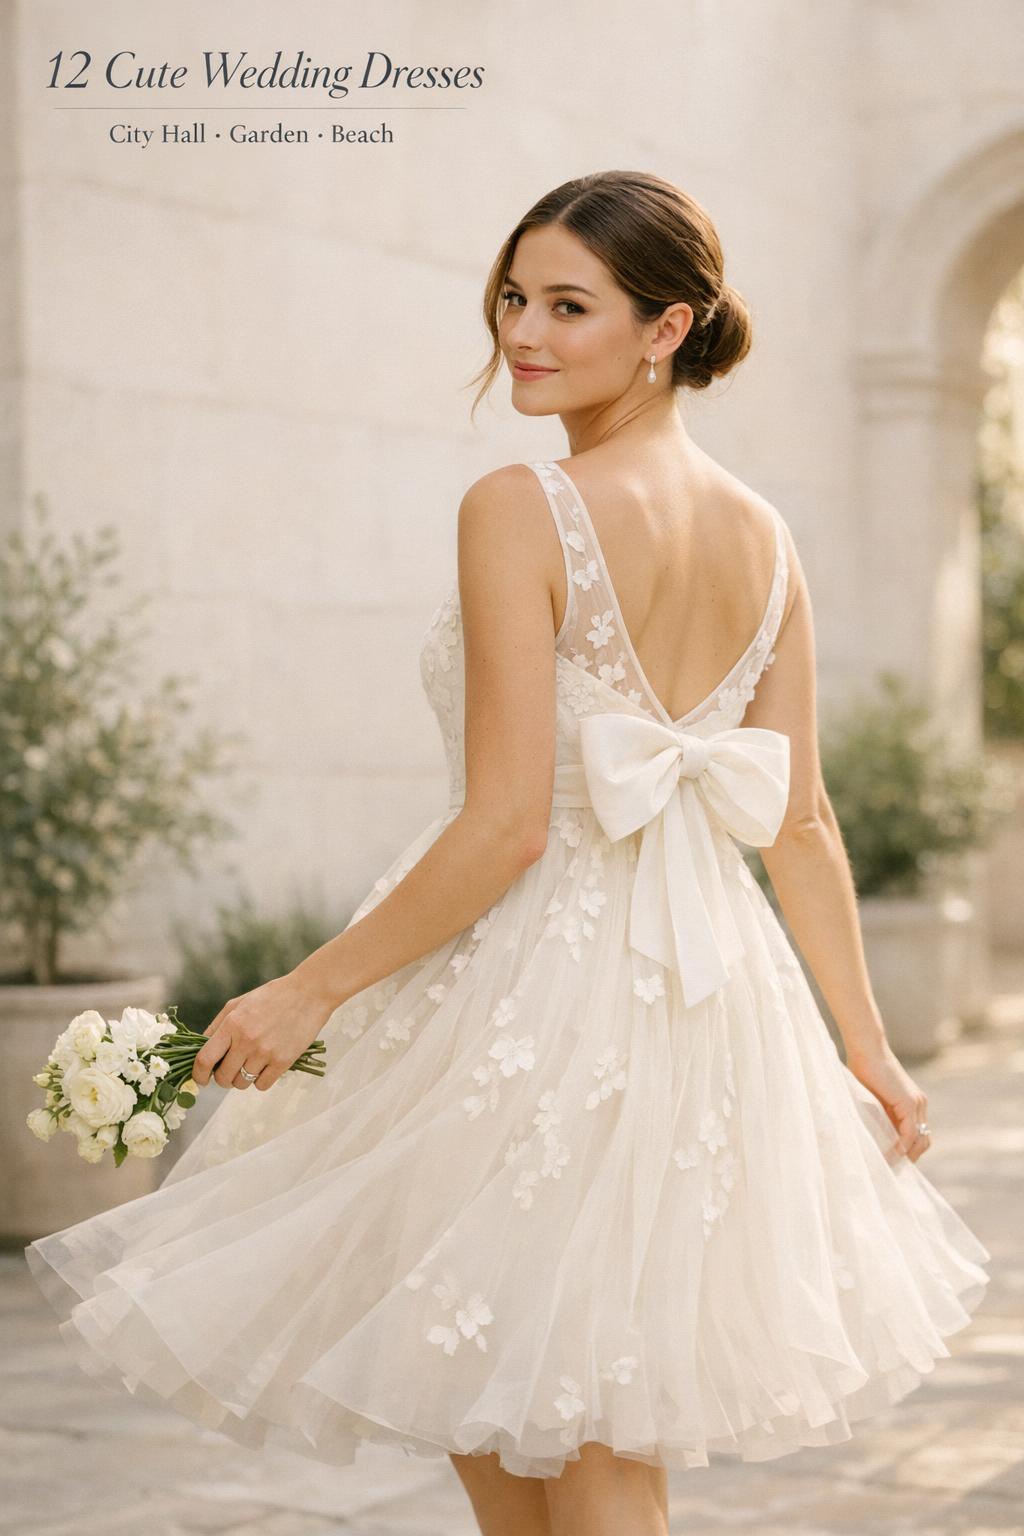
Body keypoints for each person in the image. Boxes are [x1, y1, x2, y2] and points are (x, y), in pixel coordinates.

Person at [25, 170, 990, 1536]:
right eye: (513, 297)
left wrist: (309, 989)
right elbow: (804, 824)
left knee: (564, 1447)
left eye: (567, 305)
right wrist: (865, 1047)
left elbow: (509, 824)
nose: (522, 333)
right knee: (546, 1426)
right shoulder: (767, 539)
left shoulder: (520, 504)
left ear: (668, 328)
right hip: (708, 1004)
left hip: (535, 991)